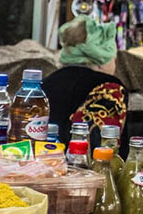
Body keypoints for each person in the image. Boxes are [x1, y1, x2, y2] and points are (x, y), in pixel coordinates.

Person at [42, 15, 128, 151]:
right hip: (81, 170)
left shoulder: (46, 82)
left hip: (43, 165)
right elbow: (101, 148)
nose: (115, 65)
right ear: (101, 61)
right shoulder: (108, 88)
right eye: (114, 60)